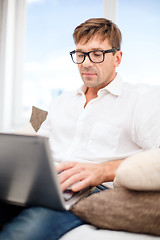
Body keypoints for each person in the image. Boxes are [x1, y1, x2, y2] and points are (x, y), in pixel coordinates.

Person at [0, 18, 160, 240]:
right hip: (46, 183)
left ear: (118, 58)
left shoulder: (142, 99)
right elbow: (32, 132)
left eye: (97, 54)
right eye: (80, 54)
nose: (86, 63)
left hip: (89, 190)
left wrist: (102, 170)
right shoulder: (60, 101)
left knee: (20, 234)